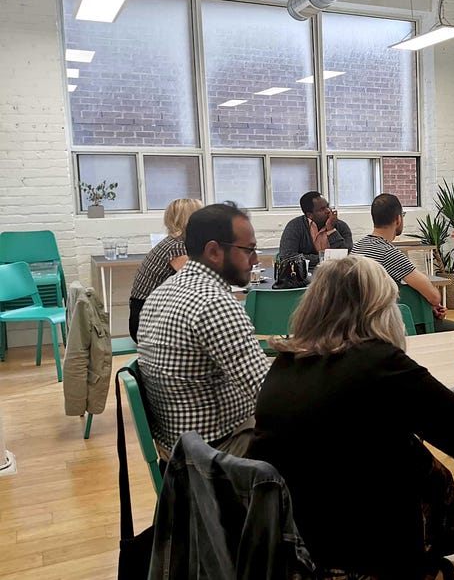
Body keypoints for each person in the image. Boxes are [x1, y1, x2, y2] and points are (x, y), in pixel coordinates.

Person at [247, 256, 454, 578]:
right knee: (407, 450)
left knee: (404, 446)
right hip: (364, 547)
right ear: (380, 310)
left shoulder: (286, 361)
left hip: (292, 538)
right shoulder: (379, 364)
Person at [137, 203, 270, 458]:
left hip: (177, 446)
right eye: (249, 250)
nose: (255, 260)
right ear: (213, 251)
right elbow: (268, 393)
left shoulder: (162, 292)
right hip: (214, 453)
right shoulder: (214, 303)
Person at [351, 193, 454, 332]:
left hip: (364, 321)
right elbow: (434, 296)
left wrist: (427, 307)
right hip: (392, 324)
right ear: (398, 219)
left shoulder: (357, 247)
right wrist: (430, 304)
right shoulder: (389, 253)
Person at [128, 199, 203, 342]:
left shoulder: (171, 242)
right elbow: (197, 282)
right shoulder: (178, 247)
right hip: (147, 323)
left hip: (144, 315)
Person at [278, 191, 352, 269]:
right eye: (322, 209)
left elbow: (345, 255)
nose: (328, 211)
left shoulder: (341, 226)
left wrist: (331, 230)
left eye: (328, 206)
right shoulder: (295, 226)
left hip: (335, 273)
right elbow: (287, 256)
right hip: (304, 275)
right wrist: (324, 259)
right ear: (310, 215)